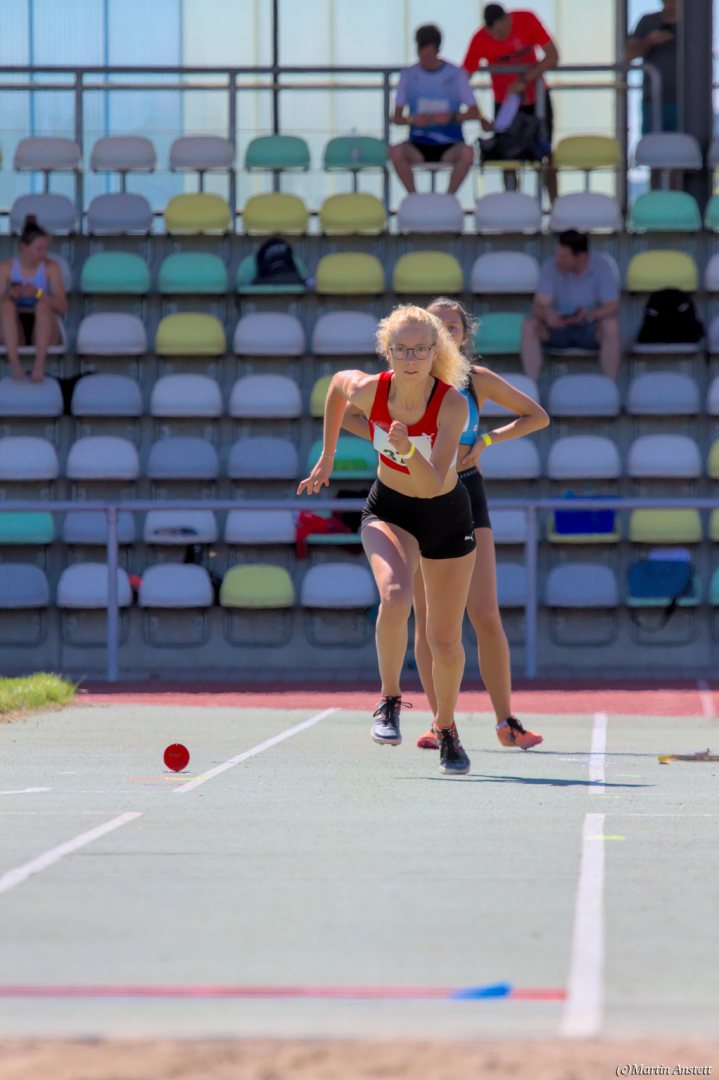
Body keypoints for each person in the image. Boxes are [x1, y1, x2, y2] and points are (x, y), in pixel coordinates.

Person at [342, 299, 549, 752]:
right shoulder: (401, 383)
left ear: (461, 336)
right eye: (438, 327)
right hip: (410, 495)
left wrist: (488, 439)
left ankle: (505, 721)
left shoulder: (474, 382)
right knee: (425, 622)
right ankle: (440, 723)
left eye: (452, 327)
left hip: (463, 492)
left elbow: (537, 416)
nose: (445, 333)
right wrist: (385, 440)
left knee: (484, 613)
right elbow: (349, 406)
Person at [298, 305, 476, 776]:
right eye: (401, 349)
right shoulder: (370, 389)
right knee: (395, 597)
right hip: (389, 509)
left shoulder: (452, 404)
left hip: (445, 513)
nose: (410, 358)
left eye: (420, 349)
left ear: (436, 351)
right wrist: (328, 456)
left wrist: (405, 448)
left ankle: (446, 728)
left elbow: (435, 482)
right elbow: (336, 388)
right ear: (387, 350)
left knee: (444, 641)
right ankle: (390, 700)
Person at [462, 3, 559, 199]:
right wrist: (479, 115)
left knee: (546, 152)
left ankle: (555, 205)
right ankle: (512, 204)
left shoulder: (527, 19)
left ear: (507, 19)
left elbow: (553, 55)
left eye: (502, 32)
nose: (499, 37)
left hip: (536, 100)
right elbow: (462, 80)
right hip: (505, 106)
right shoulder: (480, 39)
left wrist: (525, 80)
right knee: (507, 156)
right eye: (494, 35)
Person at [390, 23, 480, 195]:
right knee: (395, 152)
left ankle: (449, 197)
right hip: (418, 144)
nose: (426, 61)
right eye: (422, 55)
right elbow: (396, 117)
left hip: (450, 144)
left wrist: (452, 117)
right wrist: (412, 120)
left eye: (430, 56)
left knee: (468, 153)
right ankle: (414, 197)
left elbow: (474, 112)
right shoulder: (408, 75)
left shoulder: (456, 74)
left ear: (438, 51)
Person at [521, 230, 621, 381]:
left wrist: (590, 314)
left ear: (582, 257)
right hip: (558, 326)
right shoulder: (550, 266)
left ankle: (610, 385)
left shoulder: (602, 266)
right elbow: (538, 305)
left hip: (590, 327)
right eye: (557, 254)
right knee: (529, 325)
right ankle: (531, 387)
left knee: (611, 326)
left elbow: (612, 306)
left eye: (564, 257)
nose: (558, 260)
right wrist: (547, 316)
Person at [0, 216, 66, 383]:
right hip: (15, 326)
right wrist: (10, 295)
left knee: (42, 306)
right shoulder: (6, 267)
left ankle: (39, 366)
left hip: (44, 326)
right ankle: (15, 365)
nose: (44, 254)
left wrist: (37, 293)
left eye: (46, 249)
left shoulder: (51, 267)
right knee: (6, 306)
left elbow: (62, 307)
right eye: (39, 249)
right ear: (24, 247)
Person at [626, 0, 678, 136]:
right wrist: (649, 41)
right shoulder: (648, 21)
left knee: (687, 144)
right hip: (654, 99)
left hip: (690, 100)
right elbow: (629, 55)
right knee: (652, 143)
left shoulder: (695, 22)